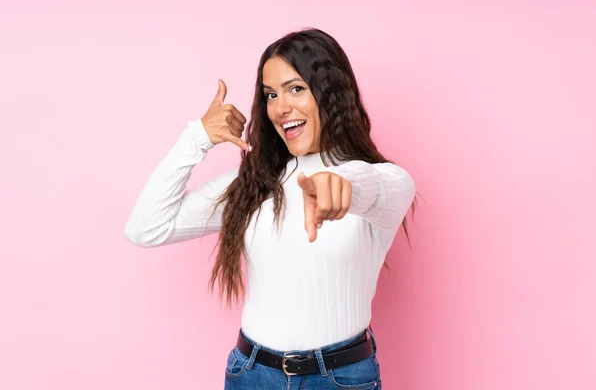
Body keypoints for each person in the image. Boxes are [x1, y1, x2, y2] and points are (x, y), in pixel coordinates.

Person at [124, 28, 416, 389]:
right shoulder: (251, 184)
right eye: (270, 95)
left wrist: (344, 185)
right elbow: (145, 228)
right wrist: (196, 138)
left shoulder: (385, 180)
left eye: (296, 88)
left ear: (331, 92)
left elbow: (378, 186)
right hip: (252, 375)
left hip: (340, 379)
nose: (280, 108)